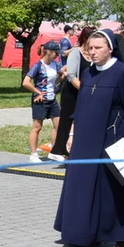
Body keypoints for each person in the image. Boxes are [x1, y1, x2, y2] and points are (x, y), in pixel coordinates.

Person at [54, 28, 124, 247]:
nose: (93, 53)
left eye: (98, 48)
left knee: (115, 188)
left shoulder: (123, 73)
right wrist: (72, 134)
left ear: (110, 49)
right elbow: (81, 106)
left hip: (114, 138)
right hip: (85, 139)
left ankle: (121, 239)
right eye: (90, 49)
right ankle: (85, 235)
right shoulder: (89, 74)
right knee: (84, 186)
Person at [50, 26, 96, 162]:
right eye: (92, 39)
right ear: (85, 38)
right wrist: (84, 89)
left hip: (88, 93)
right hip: (72, 93)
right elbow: (70, 75)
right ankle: (65, 152)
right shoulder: (76, 52)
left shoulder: (94, 54)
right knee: (68, 121)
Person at [22, 41, 63, 163]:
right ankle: (33, 154)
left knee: (58, 125)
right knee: (37, 127)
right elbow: (25, 83)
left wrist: (61, 76)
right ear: (48, 52)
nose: (57, 55)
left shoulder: (55, 65)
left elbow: (57, 79)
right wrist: (38, 92)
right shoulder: (38, 66)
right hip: (40, 101)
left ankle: (54, 152)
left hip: (52, 99)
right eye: (56, 53)